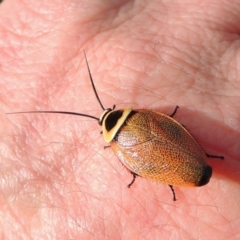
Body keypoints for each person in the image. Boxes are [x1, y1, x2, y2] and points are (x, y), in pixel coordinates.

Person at [0, 0, 238, 239]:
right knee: (170, 133)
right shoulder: (139, 115)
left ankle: (197, 165)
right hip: (188, 156)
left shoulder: (115, 146)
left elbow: (138, 165)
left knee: (142, 160)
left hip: (157, 160)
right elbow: (171, 125)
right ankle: (206, 157)